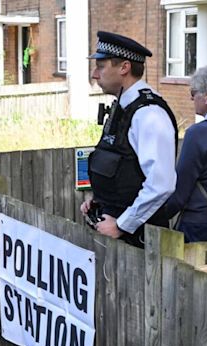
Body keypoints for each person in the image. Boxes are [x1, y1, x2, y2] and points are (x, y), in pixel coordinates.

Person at [80, 31, 178, 248]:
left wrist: (122, 225)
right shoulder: (122, 107)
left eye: (101, 66)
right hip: (117, 233)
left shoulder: (149, 114)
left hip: (140, 241)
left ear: (124, 67)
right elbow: (122, 167)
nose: (95, 75)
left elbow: (161, 184)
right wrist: (100, 202)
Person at [165, 64, 207, 242]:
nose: (190, 98)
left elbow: (180, 191)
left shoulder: (198, 133)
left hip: (200, 226)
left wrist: (152, 218)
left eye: (194, 93)